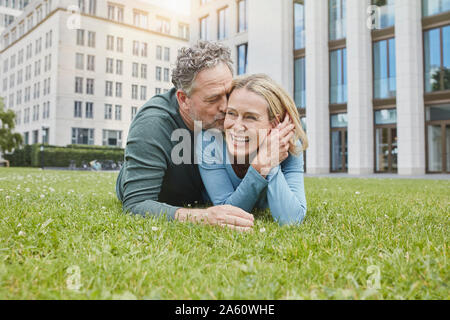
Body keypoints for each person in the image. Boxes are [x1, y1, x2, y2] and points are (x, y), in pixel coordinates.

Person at [115, 41, 254, 231]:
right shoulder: (153, 125)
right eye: (213, 99)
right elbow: (136, 204)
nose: (225, 107)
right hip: (164, 192)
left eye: (228, 94)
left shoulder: (228, 116)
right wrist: (204, 217)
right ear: (183, 99)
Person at [196, 74, 308, 226]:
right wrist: (259, 167)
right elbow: (226, 211)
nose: (237, 126)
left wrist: (271, 160)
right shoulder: (210, 141)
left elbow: (291, 219)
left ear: (275, 123)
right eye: (231, 113)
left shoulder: (290, 145)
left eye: (251, 117)